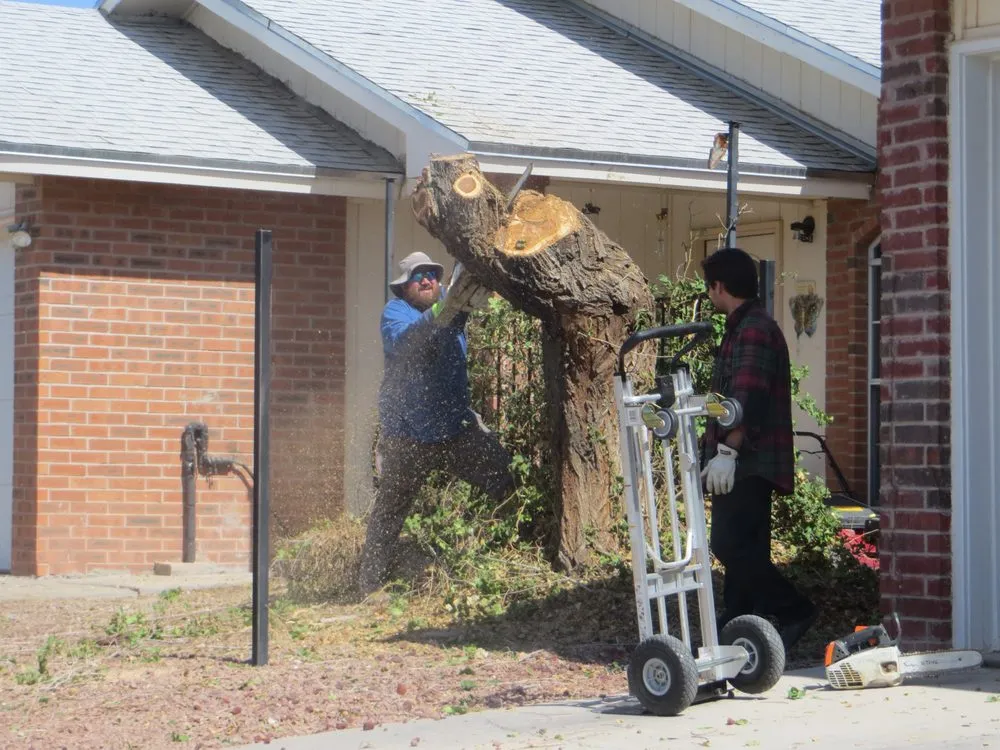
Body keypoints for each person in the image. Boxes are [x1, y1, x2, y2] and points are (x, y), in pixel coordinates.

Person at [357, 251, 516, 594]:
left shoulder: (452, 307)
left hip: (453, 429)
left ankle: (512, 556)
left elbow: (473, 294)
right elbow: (408, 341)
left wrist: (473, 279)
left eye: (432, 274)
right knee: (390, 512)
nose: (428, 280)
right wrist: (442, 310)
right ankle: (369, 586)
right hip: (408, 436)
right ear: (405, 287)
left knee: (504, 478)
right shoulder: (395, 312)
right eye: (419, 276)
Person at [700, 247, 817, 651]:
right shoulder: (745, 325)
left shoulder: (752, 328)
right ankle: (739, 618)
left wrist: (727, 453)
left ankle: (794, 609)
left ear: (720, 286)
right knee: (746, 546)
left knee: (728, 544)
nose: (709, 295)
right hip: (748, 458)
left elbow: (746, 396)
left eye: (709, 287)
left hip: (748, 459)